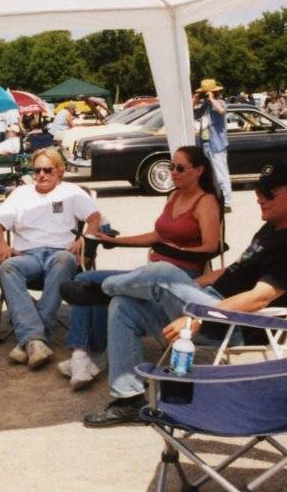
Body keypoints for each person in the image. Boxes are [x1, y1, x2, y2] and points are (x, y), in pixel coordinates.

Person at [83, 160, 287, 427]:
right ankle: (128, 399)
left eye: (268, 193)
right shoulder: (271, 230)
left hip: (238, 324)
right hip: (211, 304)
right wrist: (190, 288)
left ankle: (99, 287)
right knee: (124, 305)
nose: (259, 200)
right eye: (257, 193)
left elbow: (260, 298)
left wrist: (199, 316)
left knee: (162, 270)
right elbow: (233, 270)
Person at [58, 146, 221, 390]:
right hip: (150, 275)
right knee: (86, 279)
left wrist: (173, 251)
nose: (173, 172)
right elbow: (157, 235)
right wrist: (116, 241)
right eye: (171, 166)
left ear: (198, 171)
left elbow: (211, 247)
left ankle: (90, 355)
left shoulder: (206, 202)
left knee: (97, 288)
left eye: (180, 168)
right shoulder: (174, 196)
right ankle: (84, 352)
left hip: (178, 281)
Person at [0, 147, 101, 369]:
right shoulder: (21, 193)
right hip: (27, 255)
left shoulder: (72, 192)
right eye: (37, 170)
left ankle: (30, 339)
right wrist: (2, 246)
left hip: (61, 252)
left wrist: (83, 239)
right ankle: (36, 339)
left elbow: (95, 218)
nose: (41, 175)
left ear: (59, 171)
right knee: (8, 267)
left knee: (63, 260)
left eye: (48, 170)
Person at [193, 79, 231, 212]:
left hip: (217, 144)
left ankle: (227, 202)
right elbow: (192, 114)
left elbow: (222, 111)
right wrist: (195, 100)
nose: (205, 96)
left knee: (221, 174)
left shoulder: (220, 102)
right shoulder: (205, 106)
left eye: (207, 93)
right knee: (210, 175)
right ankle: (215, 199)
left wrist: (212, 99)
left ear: (214, 92)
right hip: (206, 143)